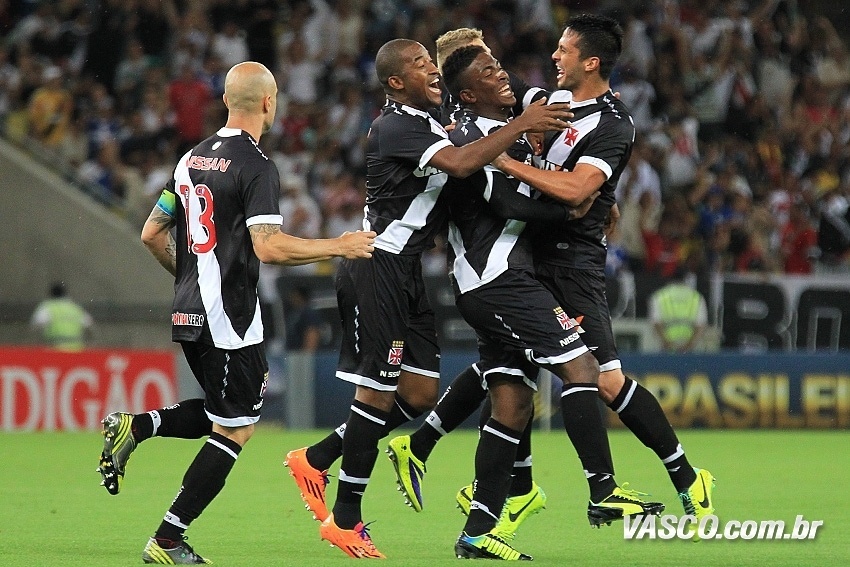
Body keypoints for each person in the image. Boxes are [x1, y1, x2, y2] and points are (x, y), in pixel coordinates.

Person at [283, 38, 572, 559]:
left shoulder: (433, 119)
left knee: (417, 394)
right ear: (396, 82)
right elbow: (461, 165)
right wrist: (523, 126)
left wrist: (511, 96)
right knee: (374, 393)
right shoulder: (396, 124)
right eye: (419, 66)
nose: (430, 71)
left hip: (407, 271)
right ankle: (345, 519)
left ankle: (318, 456)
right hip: (378, 264)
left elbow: (479, 104)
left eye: (431, 63)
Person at [96, 61, 375, 565]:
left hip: (189, 312)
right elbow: (267, 247)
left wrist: (189, 281)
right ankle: (167, 539)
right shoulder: (256, 165)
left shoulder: (191, 160)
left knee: (223, 412)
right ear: (269, 103)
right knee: (236, 429)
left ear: (227, 101)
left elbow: (151, 232)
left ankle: (137, 427)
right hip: (229, 316)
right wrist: (341, 244)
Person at [488, 14, 715, 540]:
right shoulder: (546, 102)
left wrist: (505, 160)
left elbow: (575, 190)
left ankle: (683, 476)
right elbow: (498, 92)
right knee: (504, 371)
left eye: (564, 50)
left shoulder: (613, 124)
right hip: (526, 255)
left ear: (591, 62)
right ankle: (516, 497)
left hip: (572, 263)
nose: (554, 57)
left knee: (603, 379)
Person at [425, 44, 655, 560]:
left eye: (499, 65)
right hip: (497, 279)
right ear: (468, 94)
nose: (501, 74)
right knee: (581, 367)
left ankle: (477, 534)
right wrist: (571, 216)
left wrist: (601, 200)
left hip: (500, 278)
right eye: (488, 72)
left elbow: (547, 121)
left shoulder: (504, 127)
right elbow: (504, 201)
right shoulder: (470, 136)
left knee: (512, 403)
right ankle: (603, 489)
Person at [648, 270, 709, 353]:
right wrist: (689, 346)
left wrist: (667, 343)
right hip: (690, 350)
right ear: (685, 279)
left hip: (666, 349)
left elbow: (657, 323)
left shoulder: (659, 296)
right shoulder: (696, 297)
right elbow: (700, 325)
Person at [30, 281, 93, 351]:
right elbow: (89, 326)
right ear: (65, 293)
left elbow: (36, 325)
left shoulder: (47, 307)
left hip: (54, 350)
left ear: (51, 293)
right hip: (75, 351)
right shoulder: (75, 308)